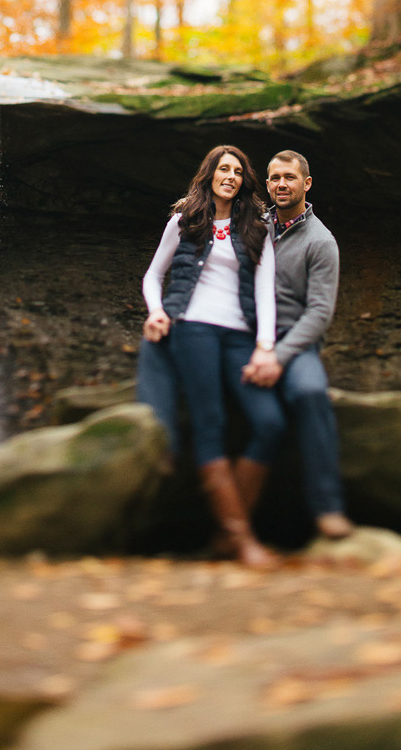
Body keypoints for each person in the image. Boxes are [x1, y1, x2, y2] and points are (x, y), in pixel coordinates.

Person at [137, 145, 281, 569]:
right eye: (224, 168)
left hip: (240, 335)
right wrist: (157, 310)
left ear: (244, 181)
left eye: (238, 171)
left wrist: (265, 344)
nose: (231, 176)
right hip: (193, 328)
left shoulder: (257, 227)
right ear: (210, 174)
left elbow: (264, 289)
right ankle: (242, 540)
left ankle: (225, 533)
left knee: (269, 422)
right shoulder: (184, 221)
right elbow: (153, 275)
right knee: (210, 424)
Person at [242, 150, 353, 540]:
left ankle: (327, 507)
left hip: (293, 341)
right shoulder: (253, 226)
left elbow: (320, 314)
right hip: (247, 334)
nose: (281, 185)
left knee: (309, 393)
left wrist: (279, 356)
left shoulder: (321, 242)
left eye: (289, 177)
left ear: (306, 184)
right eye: (274, 178)